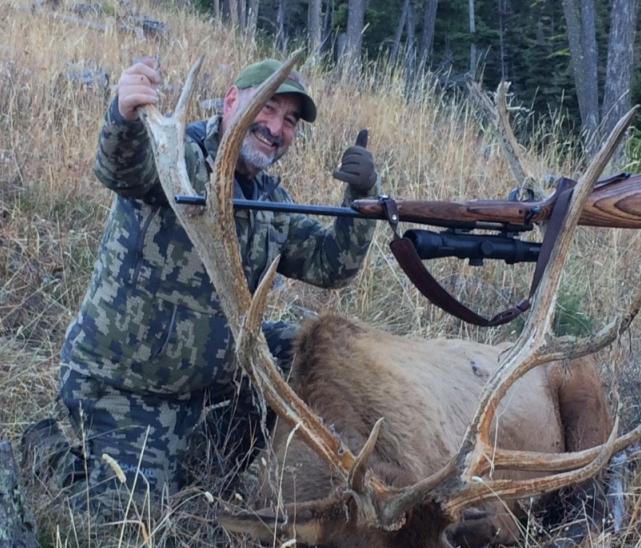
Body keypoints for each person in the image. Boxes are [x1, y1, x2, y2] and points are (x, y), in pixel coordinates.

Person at [24, 58, 379, 512]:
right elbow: (123, 169)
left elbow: (332, 266)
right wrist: (124, 115)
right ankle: (44, 446)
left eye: (289, 120)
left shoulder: (270, 200)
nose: (276, 127)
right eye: (268, 108)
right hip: (126, 386)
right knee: (133, 523)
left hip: (210, 384)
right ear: (232, 100)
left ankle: (248, 462)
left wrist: (362, 198)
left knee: (312, 348)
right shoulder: (180, 157)